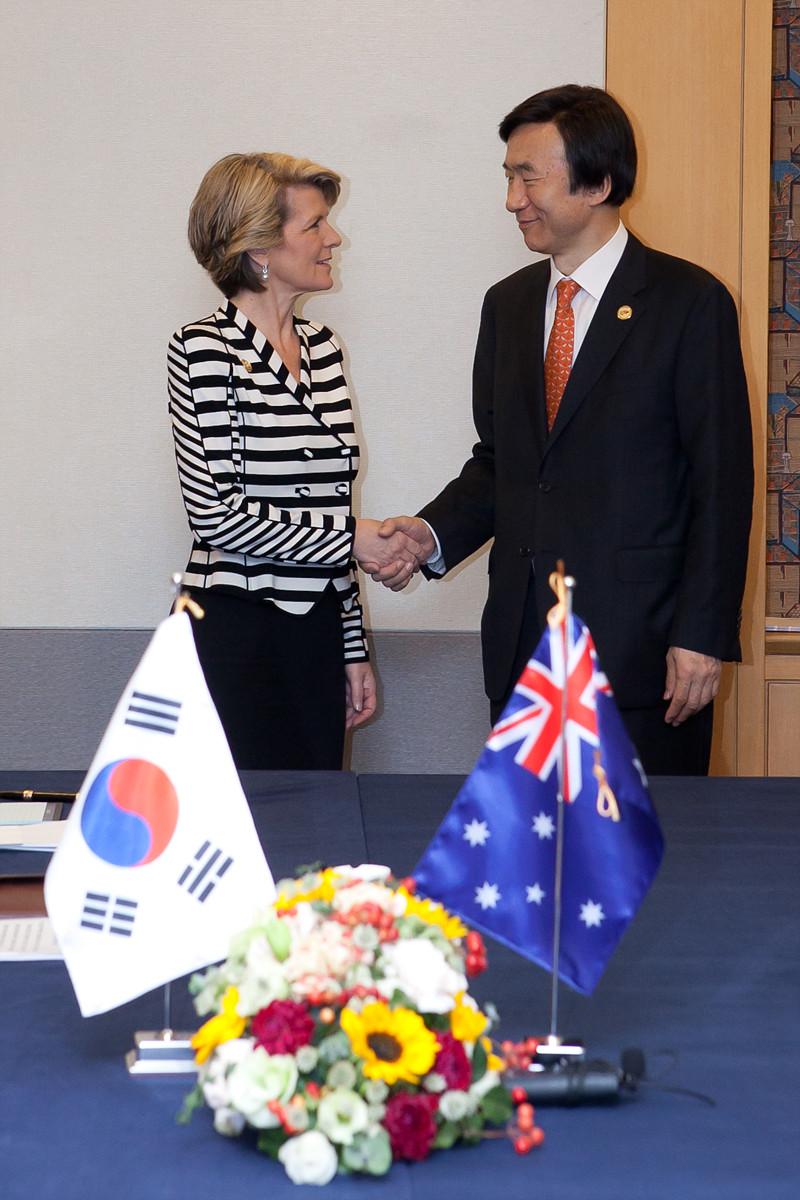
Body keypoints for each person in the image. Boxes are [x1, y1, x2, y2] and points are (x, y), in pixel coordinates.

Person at [373, 85, 753, 776]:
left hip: (644, 662)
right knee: (521, 866)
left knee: (637, 873)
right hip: (523, 652)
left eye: (529, 177)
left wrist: (700, 635)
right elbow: (502, 464)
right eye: (508, 177)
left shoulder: (690, 303)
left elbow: (720, 483)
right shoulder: (509, 305)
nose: (513, 199)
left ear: (600, 181)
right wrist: (428, 535)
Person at [168, 151, 424, 769]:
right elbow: (217, 518)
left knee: (317, 826)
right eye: (314, 225)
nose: (333, 238)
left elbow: (335, 505)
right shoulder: (203, 348)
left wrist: (352, 645)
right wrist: (356, 541)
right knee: (245, 832)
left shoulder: (324, 349)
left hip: (316, 634)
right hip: (235, 632)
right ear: (258, 247)